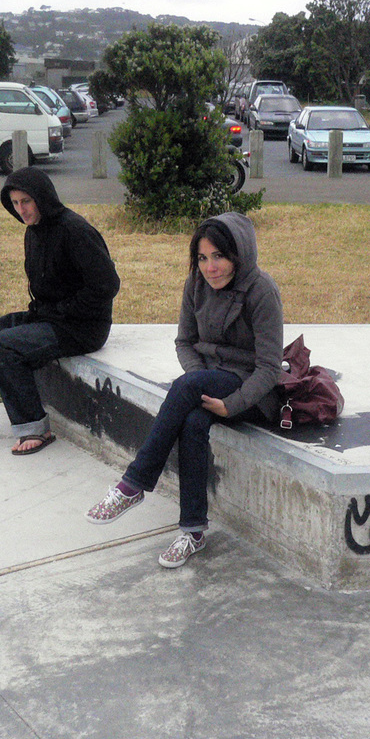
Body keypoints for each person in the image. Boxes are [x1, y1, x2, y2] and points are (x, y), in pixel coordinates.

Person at [85, 212, 283, 568]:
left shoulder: (262, 290)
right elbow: (184, 342)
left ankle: (134, 483)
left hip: (252, 389)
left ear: (239, 254)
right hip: (206, 378)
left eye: (219, 257)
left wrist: (231, 404)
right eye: (203, 258)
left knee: (189, 393)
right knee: (192, 423)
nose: (211, 267)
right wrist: (197, 382)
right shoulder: (195, 283)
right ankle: (192, 531)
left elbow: (269, 368)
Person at [0, 167, 120, 455]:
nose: (21, 209)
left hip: (82, 327)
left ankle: (34, 427)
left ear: (42, 198)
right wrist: (49, 312)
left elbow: (107, 285)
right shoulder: (34, 231)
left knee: (5, 345)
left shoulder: (75, 230)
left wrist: (65, 310)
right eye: (15, 203)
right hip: (49, 317)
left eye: (26, 201)